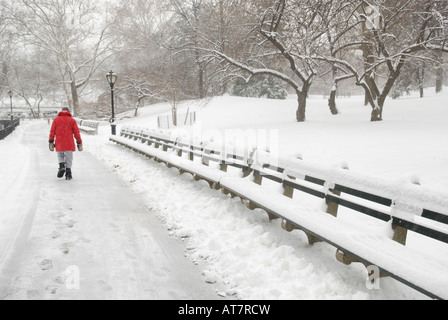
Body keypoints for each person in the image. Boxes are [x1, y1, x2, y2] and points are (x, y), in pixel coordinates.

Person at [49, 107, 83, 180]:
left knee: (60, 155)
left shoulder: (56, 120)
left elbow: (52, 131)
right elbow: (76, 132)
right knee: (69, 158)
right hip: (69, 142)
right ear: (68, 112)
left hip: (59, 142)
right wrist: (79, 141)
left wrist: (51, 141)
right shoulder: (72, 120)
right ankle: (68, 172)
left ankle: (61, 166)